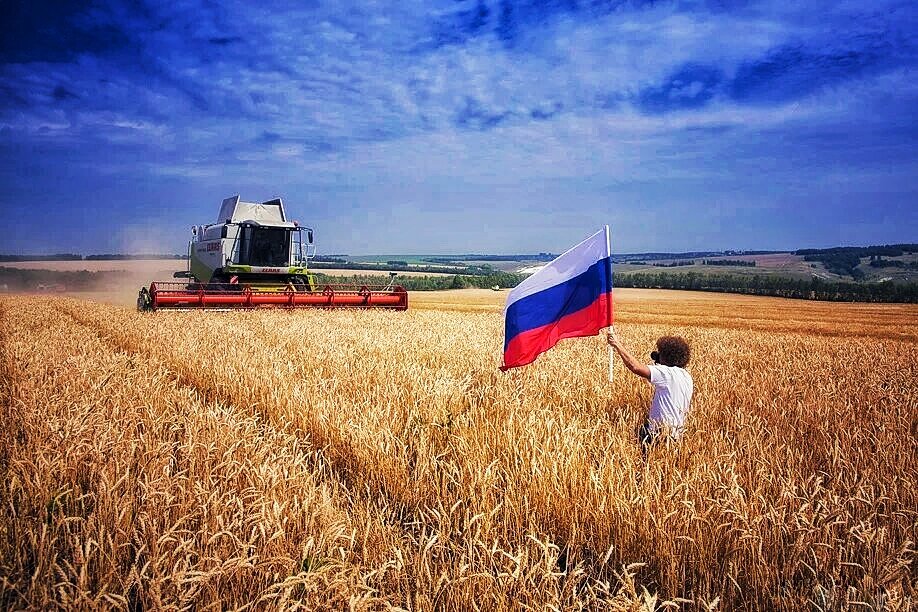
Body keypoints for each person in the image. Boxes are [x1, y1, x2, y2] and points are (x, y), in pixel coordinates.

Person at [606, 329, 693, 454]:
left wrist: (617, 344)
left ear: (667, 356)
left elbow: (635, 367)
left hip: (659, 435)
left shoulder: (666, 374)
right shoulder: (686, 376)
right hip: (676, 434)